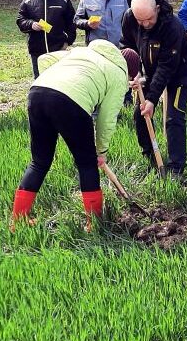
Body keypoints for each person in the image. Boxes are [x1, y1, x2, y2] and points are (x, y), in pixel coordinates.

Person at [11, 41, 142, 230]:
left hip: (38, 92)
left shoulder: (83, 52)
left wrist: (54, 83)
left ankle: (17, 220)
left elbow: (44, 59)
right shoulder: (118, 75)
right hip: (71, 102)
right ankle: (94, 224)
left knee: (39, 162)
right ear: (129, 71)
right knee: (87, 164)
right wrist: (101, 151)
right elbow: (107, 119)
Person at [121, 0, 187, 181]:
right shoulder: (129, 18)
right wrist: (132, 70)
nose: (145, 24)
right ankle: (150, 156)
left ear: (157, 10)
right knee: (141, 114)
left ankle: (176, 166)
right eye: (140, 20)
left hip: (177, 71)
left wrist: (153, 99)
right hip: (148, 71)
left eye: (149, 19)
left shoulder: (173, 26)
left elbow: (166, 67)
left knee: (174, 117)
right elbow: (127, 46)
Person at [16, 0, 77, 78]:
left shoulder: (63, 0)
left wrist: (68, 41)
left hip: (58, 48)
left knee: (58, 79)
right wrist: (31, 24)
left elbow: (71, 22)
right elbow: (20, 20)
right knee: (40, 80)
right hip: (37, 48)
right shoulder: (28, 1)